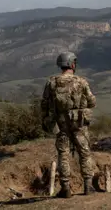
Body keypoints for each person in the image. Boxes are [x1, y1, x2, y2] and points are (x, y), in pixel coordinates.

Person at [41, 51, 97, 198]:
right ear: (72, 64)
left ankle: (65, 187)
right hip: (79, 124)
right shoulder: (81, 81)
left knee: (63, 154)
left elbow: (44, 104)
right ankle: (88, 186)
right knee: (84, 153)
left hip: (61, 125)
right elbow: (92, 102)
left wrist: (46, 120)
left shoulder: (52, 82)